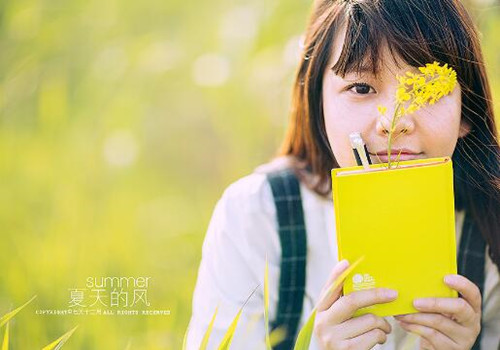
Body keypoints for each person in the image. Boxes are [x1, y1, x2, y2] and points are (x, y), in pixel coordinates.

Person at [186, 0, 500, 349]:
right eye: (362, 88)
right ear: (317, 100)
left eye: (426, 90)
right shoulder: (255, 217)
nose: (393, 122)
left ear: (467, 112)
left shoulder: (489, 230)